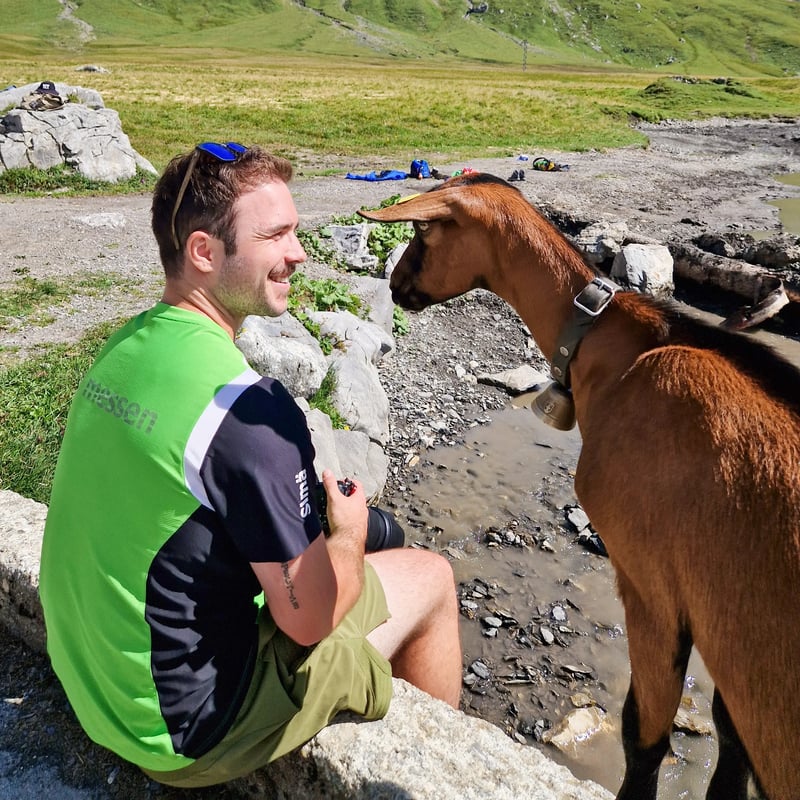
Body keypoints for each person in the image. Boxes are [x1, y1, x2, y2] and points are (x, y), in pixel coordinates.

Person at [39, 141, 462, 788]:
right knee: (428, 577)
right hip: (178, 733)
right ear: (205, 252)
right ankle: (442, 770)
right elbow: (308, 619)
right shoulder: (247, 416)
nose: (299, 252)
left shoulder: (123, 348)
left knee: (360, 546)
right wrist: (346, 535)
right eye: (277, 235)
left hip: (91, 685)